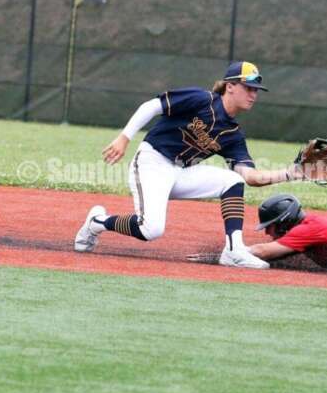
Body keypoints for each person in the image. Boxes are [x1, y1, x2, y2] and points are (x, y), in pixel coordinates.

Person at [74, 61, 308, 269]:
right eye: (248, 87)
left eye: (256, 89)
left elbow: (250, 177)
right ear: (230, 86)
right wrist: (124, 137)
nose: (253, 94)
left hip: (180, 173)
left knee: (233, 181)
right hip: (152, 162)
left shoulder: (233, 134)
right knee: (150, 230)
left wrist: (294, 173)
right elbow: (152, 106)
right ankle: (97, 222)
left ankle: (234, 250)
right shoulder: (201, 99)